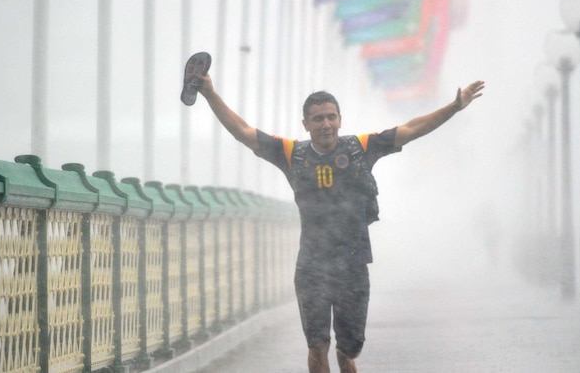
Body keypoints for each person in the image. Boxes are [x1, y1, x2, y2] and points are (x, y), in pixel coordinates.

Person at [193, 72, 484, 373]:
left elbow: (411, 129)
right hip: (311, 268)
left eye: (331, 117)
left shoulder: (360, 147)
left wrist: (454, 107)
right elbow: (243, 132)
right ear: (305, 124)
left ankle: (347, 356)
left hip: (353, 267)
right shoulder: (292, 154)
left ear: (340, 120)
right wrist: (210, 93)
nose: (326, 125)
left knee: (347, 351)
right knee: (317, 348)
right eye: (317, 119)